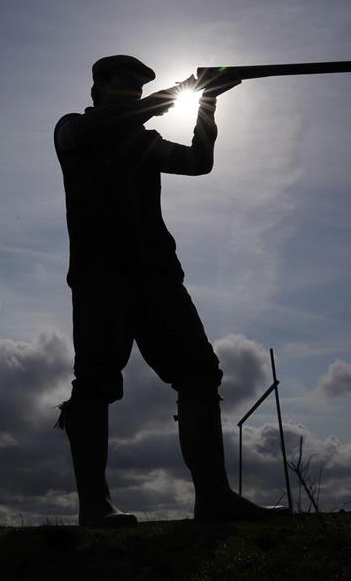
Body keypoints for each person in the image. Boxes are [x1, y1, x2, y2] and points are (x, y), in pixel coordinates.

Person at [53, 55, 278, 525]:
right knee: (95, 383)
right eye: (122, 87)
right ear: (97, 90)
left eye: (136, 89)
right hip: (101, 278)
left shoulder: (142, 141)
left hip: (158, 275)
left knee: (199, 374)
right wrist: (177, 92)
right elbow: (106, 128)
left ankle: (213, 498)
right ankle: (95, 506)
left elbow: (198, 163)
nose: (130, 94)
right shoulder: (73, 130)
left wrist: (206, 104)